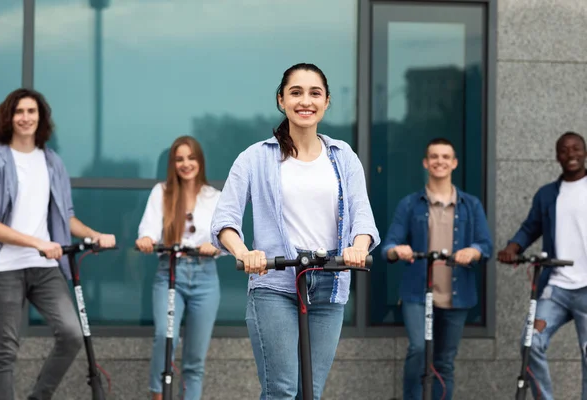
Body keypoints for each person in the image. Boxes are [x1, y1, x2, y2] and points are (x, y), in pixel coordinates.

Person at [210, 62, 380, 400]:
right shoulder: (255, 158)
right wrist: (245, 254)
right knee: (282, 391)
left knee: (310, 393)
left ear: (327, 101)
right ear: (281, 101)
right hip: (275, 284)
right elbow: (224, 220)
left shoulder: (342, 155)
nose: (306, 101)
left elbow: (362, 215)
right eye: (296, 92)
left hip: (329, 283)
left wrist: (358, 248)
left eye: (315, 93)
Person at [0, 88, 116, 400]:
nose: (26, 118)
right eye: (19, 112)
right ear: (8, 117)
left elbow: (65, 215)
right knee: (5, 347)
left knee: (72, 334)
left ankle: (38, 397)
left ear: (41, 118)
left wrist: (93, 235)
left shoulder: (51, 162)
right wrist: (36, 243)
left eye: (32, 111)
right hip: (7, 268)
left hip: (45, 268)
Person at [382, 138, 492, 400]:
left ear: (454, 163)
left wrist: (472, 251)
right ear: (425, 162)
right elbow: (388, 246)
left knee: (444, 362)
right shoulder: (410, 204)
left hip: (457, 295)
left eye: (445, 157)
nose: (439, 161)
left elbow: (485, 244)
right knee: (418, 349)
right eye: (434, 156)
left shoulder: (471, 204)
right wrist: (399, 250)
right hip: (418, 294)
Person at [498, 131, 587, 400]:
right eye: (564, 150)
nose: (571, 154)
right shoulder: (548, 194)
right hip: (556, 288)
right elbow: (530, 228)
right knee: (530, 342)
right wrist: (512, 248)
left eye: (576, 148)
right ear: (556, 156)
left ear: (584, 151)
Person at [136, 136, 222, 400]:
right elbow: (147, 231)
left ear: (200, 161)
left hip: (205, 276)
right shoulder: (161, 192)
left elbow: (228, 237)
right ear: (172, 164)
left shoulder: (215, 196)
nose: (186, 164)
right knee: (165, 336)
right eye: (179, 159)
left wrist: (215, 246)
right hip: (170, 272)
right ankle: (158, 395)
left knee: (194, 359)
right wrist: (147, 240)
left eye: (191, 158)